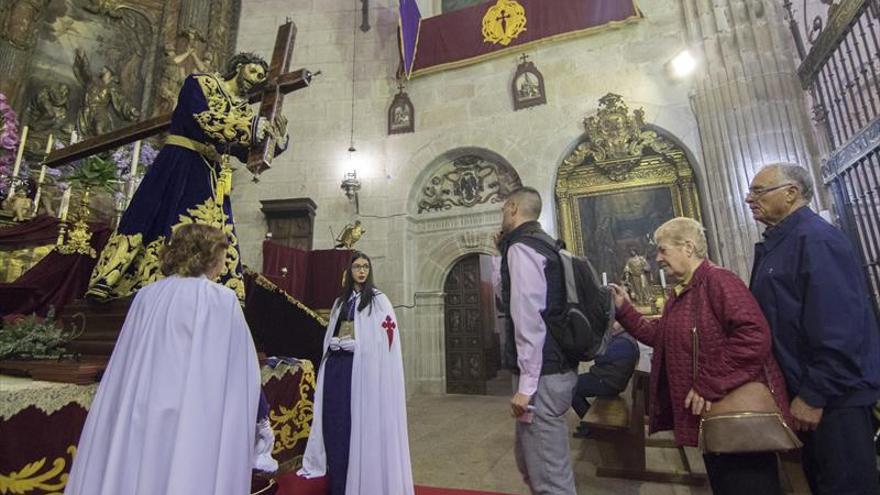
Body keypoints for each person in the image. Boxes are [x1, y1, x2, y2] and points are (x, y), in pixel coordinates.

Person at [65, 224, 262, 495]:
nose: (223, 264)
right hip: (194, 413)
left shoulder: (147, 295)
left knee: (140, 468)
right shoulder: (221, 299)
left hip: (141, 405)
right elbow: (241, 373)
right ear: (208, 256)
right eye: (222, 256)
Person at [87, 52, 289, 302]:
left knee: (214, 229)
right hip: (180, 161)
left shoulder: (244, 109)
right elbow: (200, 119)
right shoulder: (200, 83)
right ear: (238, 67)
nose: (256, 79)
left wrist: (276, 141)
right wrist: (252, 128)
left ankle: (213, 289)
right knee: (153, 215)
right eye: (252, 71)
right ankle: (114, 279)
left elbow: (244, 154)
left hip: (210, 174)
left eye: (260, 76)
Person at [610, 217, 790, 495]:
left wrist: (709, 382)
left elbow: (753, 336)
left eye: (663, 250)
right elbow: (661, 337)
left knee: (748, 484)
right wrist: (625, 309)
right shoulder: (683, 292)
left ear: (688, 247)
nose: (657, 258)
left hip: (735, 415)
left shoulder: (719, 281)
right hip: (713, 417)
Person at [746, 163, 880, 495]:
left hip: (835, 398)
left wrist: (815, 392)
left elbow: (839, 325)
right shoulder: (782, 242)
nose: (749, 199)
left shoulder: (816, 239)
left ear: (791, 193)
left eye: (758, 191)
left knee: (846, 485)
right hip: (809, 393)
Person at [298, 251, 414, 495]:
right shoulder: (340, 302)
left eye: (365, 267)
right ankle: (338, 483)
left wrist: (361, 347)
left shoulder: (378, 300)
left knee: (355, 426)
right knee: (336, 425)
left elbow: (388, 342)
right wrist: (332, 343)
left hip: (362, 374)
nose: (362, 271)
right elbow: (332, 331)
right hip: (338, 372)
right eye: (357, 267)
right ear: (349, 272)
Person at [495, 186, 577, 495]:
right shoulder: (545, 244)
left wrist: (527, 385)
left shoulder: (523, 247)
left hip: (542, 376)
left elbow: (529, 315)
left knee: (550, 481)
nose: (503, 215)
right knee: (531, 465)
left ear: (514, 208)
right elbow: (511, 300)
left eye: (504, 209)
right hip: (555, 368)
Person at [571, 323, 639, 438]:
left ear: (622, 325)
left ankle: (591, 426)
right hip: (607, 378)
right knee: (574, 383)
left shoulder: (623, 342)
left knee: (571, 388)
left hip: (608, 382)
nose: (611, 325)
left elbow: (599, 357)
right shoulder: (624, 338)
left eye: (615, 322)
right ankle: (591, 424)